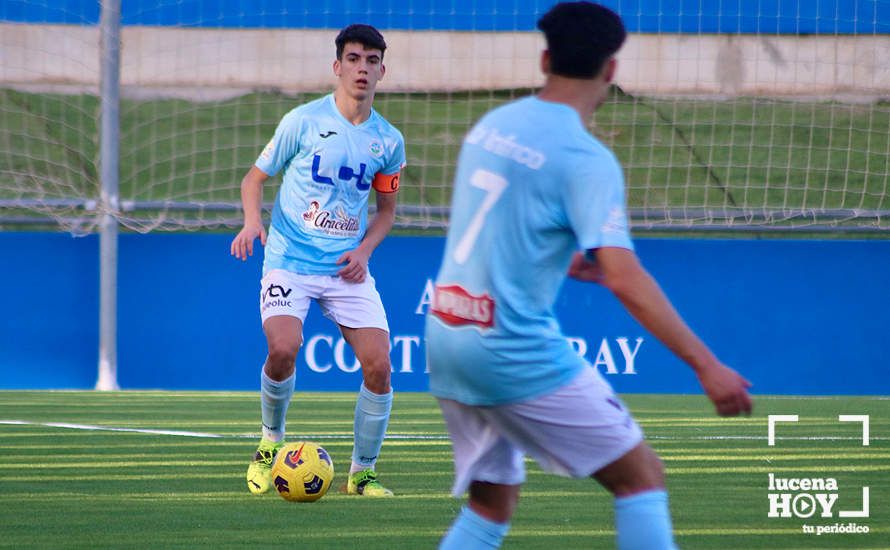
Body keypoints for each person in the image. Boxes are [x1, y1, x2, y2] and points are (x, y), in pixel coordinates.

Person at [424, 2, 753, 548]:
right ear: (612, 70)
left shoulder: (493, 126)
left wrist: (550, 254)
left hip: (447, 333)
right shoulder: (586, 158)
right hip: (510, 348)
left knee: (490, 505)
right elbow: (626, 278)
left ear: (545, 57)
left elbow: (489, 226)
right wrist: (707, 365)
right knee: (641, 477)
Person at [231, 23, 405, 498]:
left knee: (380, 365)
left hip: (346, 269)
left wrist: (364, 251)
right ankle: (270, 445)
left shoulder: (388, 142)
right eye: (353, 59)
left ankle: (362, 472)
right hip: (289, 259)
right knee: (283, 349)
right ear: (337, 67)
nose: (362, 69)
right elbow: (254, 179)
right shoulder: (302, 122)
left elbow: (387, 212)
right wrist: (252, 222)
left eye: (371, 61)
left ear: (382, 71)